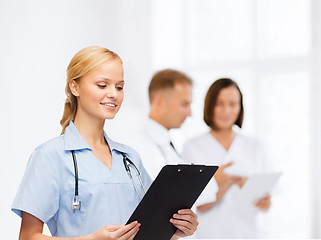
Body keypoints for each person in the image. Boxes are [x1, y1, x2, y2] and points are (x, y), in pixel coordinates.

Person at [11, 46, 198, 240]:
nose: (113, 94)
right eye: (102, 85)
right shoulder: (50, 155)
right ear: (75, 87)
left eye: (119, 87)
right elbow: (28, 237)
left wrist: (176, 230)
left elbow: (148, 229)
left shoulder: (130, 158)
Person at [127, 69, 217, 239]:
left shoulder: (167, 143)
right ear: (159, 102)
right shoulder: (140, 146)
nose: (189, 113)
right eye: (184, 104)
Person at [182, 78, 272, 238]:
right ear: (209, 106)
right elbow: (197, 205)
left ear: (240, 107)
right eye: (219, 103)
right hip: (212, 234)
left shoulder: (256, 146)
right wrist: (223, 183)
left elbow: (265, 201)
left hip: (250, 233)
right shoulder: (192, 147)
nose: (226, 111)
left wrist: (264, 202)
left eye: (233, 104)